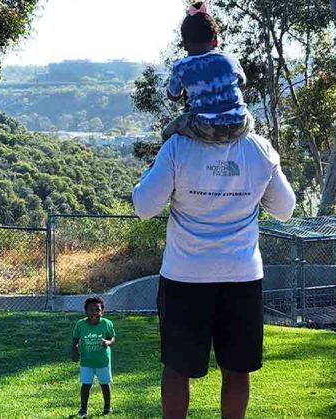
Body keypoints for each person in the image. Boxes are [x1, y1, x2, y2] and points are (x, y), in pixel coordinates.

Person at [131, 7, 296, 414]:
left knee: (177, 368)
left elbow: (144, 207)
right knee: (236, 370)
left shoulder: (177, 148)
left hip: (185, 275)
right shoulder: (258, 150)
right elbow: (286, 210)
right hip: (241, 276)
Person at [161, 1, 254, 145]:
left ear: (184, 44)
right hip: (239, 125)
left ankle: (166, 161)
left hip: (205, 128)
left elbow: (173, 96)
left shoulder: (181, 67)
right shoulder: (230, 60)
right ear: (215, 41)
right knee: (247, 114)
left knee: (168, 133)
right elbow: (242, 84)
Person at [71, 296, 116, 418]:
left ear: (102, 311)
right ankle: (83, 409)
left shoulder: (107, 324)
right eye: (91, 310)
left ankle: (107, 407)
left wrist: (108, 342)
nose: (94, 313)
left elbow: (112, 337)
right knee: (86, 385)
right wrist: (74, 351)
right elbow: (75, 339)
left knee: (105, 384)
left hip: (102, 361)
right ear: (86, 311)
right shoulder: (81, 324)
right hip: (86, 361)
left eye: (97, 310)